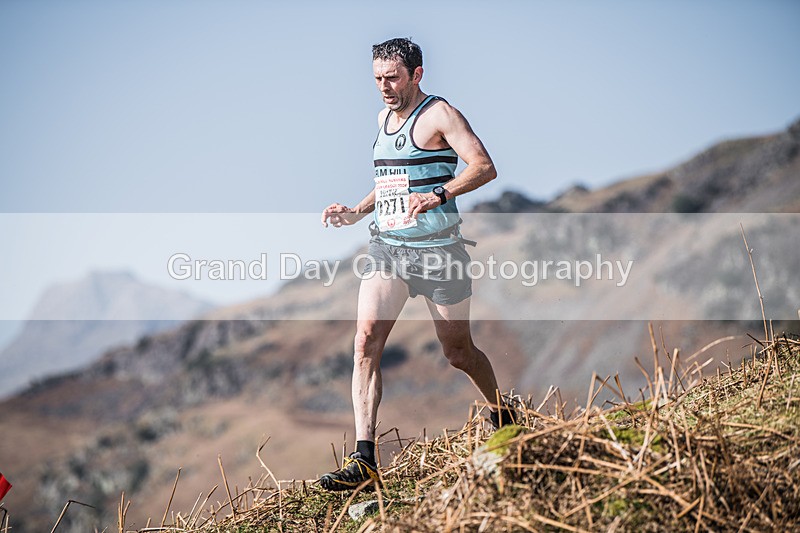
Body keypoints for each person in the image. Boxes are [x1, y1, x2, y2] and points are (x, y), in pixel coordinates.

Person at [318, 37, 514, 491]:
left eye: (392, 78)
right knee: (365, 341)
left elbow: (484, 166)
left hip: (442, 252)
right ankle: (364, 460)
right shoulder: (383, 118)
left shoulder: (440, 114)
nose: (384, 87)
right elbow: (388, 178)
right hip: (389, 249)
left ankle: (503, 413)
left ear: (417, 75)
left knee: (458, 353)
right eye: (377, 79)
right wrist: (357, 211)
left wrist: (439, 194)